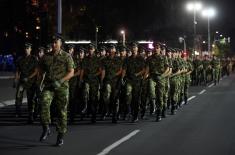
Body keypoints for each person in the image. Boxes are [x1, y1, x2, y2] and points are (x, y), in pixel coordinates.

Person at [38, 34, 74, 146]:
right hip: (49, 86)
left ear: (60, 43)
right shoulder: (45, 57)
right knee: (43, 103)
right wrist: (40, 83)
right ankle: (46, 127)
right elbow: (41, 71)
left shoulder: (67, 56)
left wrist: (61, 81)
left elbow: (71, 72)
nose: (54, 44)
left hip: (62, 87)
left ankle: (60, 136)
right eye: (53, 42)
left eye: (56, 42)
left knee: (61, 112)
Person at [14, 43, 38, 123]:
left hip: (30, 83)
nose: (26, 49)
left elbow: (36, 71)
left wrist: (29, 78)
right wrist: (16, 79)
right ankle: (18, 112)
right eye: (25, 48)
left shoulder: (34, 59)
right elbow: (17, 71)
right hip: (22, 82)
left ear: (31, 49)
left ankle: (30, 115)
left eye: (28, 48)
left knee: (30, 99)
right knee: (18, 96)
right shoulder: (20, 59)